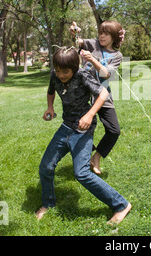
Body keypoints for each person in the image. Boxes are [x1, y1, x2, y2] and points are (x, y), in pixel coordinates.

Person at [36, 47, 131, 224]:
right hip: (66, 126)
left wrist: (89, 114)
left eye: (65, 71)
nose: (61, 75)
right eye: (57, 70)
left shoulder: (82, 75)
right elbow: (50, 91)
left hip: (83, 130)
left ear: (74, 67)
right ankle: (48, 204)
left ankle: (121, 205)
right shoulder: (55, 75)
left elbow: (104, 93)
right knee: (46, 167)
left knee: (81, 173)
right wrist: (50, 107)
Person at [69, 21, 125, 175]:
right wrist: (75, 32)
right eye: (101, 32)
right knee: (79, 127)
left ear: (114, 37)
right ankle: (83, 158)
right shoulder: (93, 44)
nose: (102, 36)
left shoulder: (117, 56)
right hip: (84, 94)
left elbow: (106, 74)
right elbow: (77, 42)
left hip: (103, 95)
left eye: (106, 33)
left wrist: (92, 59)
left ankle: (96, 156)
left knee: (114, 130)